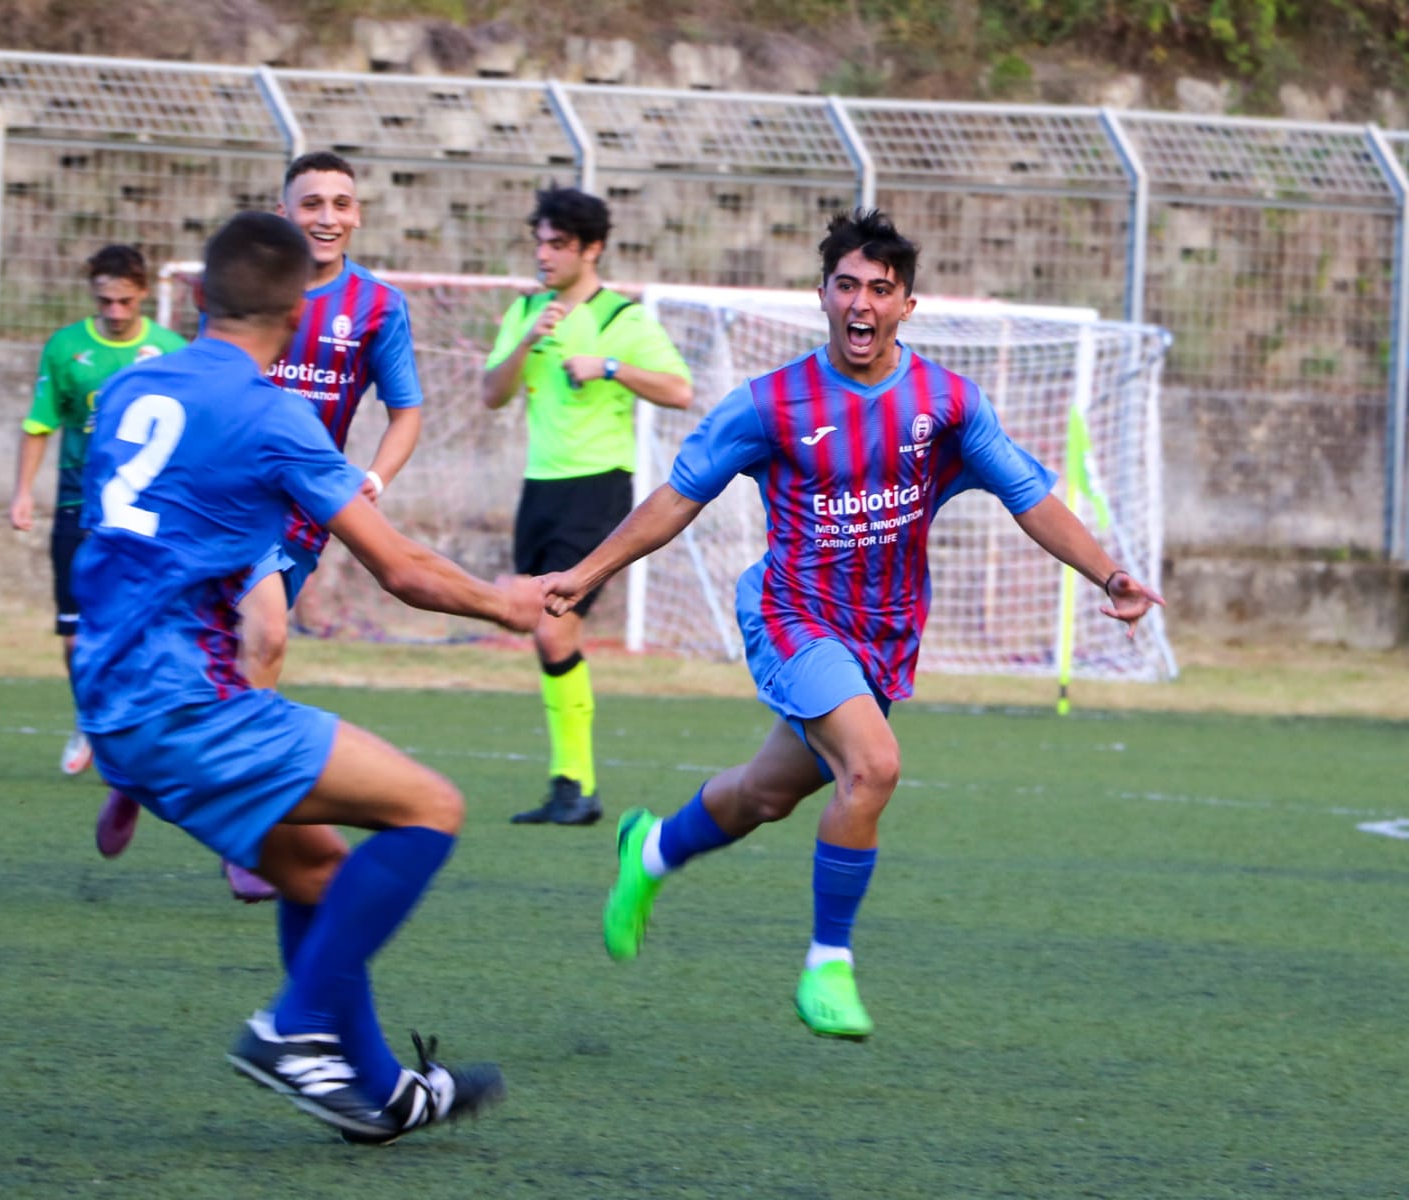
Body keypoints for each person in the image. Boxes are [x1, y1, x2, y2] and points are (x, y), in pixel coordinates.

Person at [539, 209, 1165, 1039]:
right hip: (792, 613)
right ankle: (826, 964)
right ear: (821, 296)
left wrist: (1110, 574)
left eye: (881, 288)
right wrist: (586, 573)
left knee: (768, 794)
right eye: (846, 286)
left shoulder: (946, 402)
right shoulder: (771, 404)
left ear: (908, 304)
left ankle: (650, 851)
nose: (861, 303)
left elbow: (1031, 497)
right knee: (871, 768)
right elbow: (677, 498)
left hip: (884, 634)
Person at [74, 210, 538, 1142]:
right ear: (296, 318)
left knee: (320, 868)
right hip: (189, 705)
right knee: (430, 809)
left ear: (199, 297)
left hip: (108, 696)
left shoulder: (130, 389)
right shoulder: (273, 415)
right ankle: (291, 1029)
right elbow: (400, 569)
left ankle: (379, 1095)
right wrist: (507, 603)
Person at [93, 152, 426, 902]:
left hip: (307, 508)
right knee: (266, 636)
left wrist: (373, 479)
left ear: (359, 215)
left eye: (342, 203)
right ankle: (247, 830)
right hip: (226, 496)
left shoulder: (378, 307)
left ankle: (143, 773)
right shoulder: (244, 293)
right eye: (312, 203)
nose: (328, 217)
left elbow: (407, 411)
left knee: (223, 648)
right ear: (284, 213)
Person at [481, 185, 693, 826]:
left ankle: (578, 786)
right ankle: (569, 784)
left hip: (600, 486)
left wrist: (608, 366)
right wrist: (528, 341)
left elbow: (680, 390)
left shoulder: (620, 320)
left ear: (591, 249)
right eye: (539, 242)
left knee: (554, 626)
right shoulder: (526, 310)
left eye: (558, 244)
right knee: (539, 632)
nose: (544, 255)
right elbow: (492, 393)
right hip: (539, 489)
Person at [10, 245, 186, 777]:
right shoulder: (66, 348)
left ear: (144, 295)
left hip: (145, 513)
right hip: (77, 507)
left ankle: (144, 728)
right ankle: (89, 715)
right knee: (73, 635)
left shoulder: (171, 351)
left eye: (124, 301)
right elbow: (40, 423)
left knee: (147, 626)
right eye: (104, 300)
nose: (114, 311)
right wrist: (22, 492)